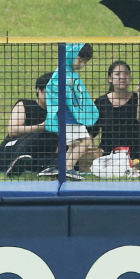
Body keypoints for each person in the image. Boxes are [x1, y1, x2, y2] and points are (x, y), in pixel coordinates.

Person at [93, 60, 140, 171]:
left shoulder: (137, 97)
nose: (122, 77)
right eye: (118, 74)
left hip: (139, 152)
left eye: (126, 73)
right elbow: (92, 131)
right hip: (110, 153)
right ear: (110, 79)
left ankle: (133, 167)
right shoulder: (101, 102)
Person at [41, 42, 99, 179]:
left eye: (85, 62)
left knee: (75, 143)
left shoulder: (70, 73)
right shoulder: (62, 73)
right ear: (71, 55)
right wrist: (66, 86)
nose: (82, 65)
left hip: (72, 116)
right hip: (67, 116)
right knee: (86, 141)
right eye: (80, 60)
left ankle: (62, 166)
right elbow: (52, 89)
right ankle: (68, 167)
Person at [0, 71, 58, 175]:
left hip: (39, 155)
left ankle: (51, 167)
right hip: (12, 150)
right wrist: (42, 126)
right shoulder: (25, 105)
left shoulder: (59, 112)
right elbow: (13, 131)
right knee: (39, 134)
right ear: (39, 90)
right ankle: (18, 162)